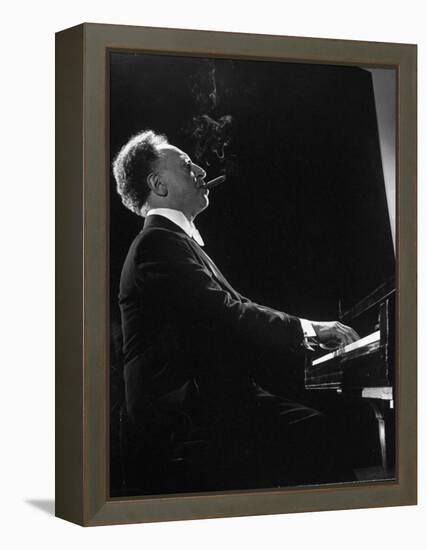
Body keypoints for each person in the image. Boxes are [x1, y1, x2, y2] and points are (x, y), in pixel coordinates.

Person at [112, 129, 360, 493]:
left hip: (211, 405)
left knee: (317, 433)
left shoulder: (171, 241)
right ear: (158, 185)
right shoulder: (156, 242)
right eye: (186, 164)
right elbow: (227, 314)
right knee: (319, 436)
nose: (200, 169)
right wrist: (309, 329)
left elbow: (229, 315)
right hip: (186, 420)